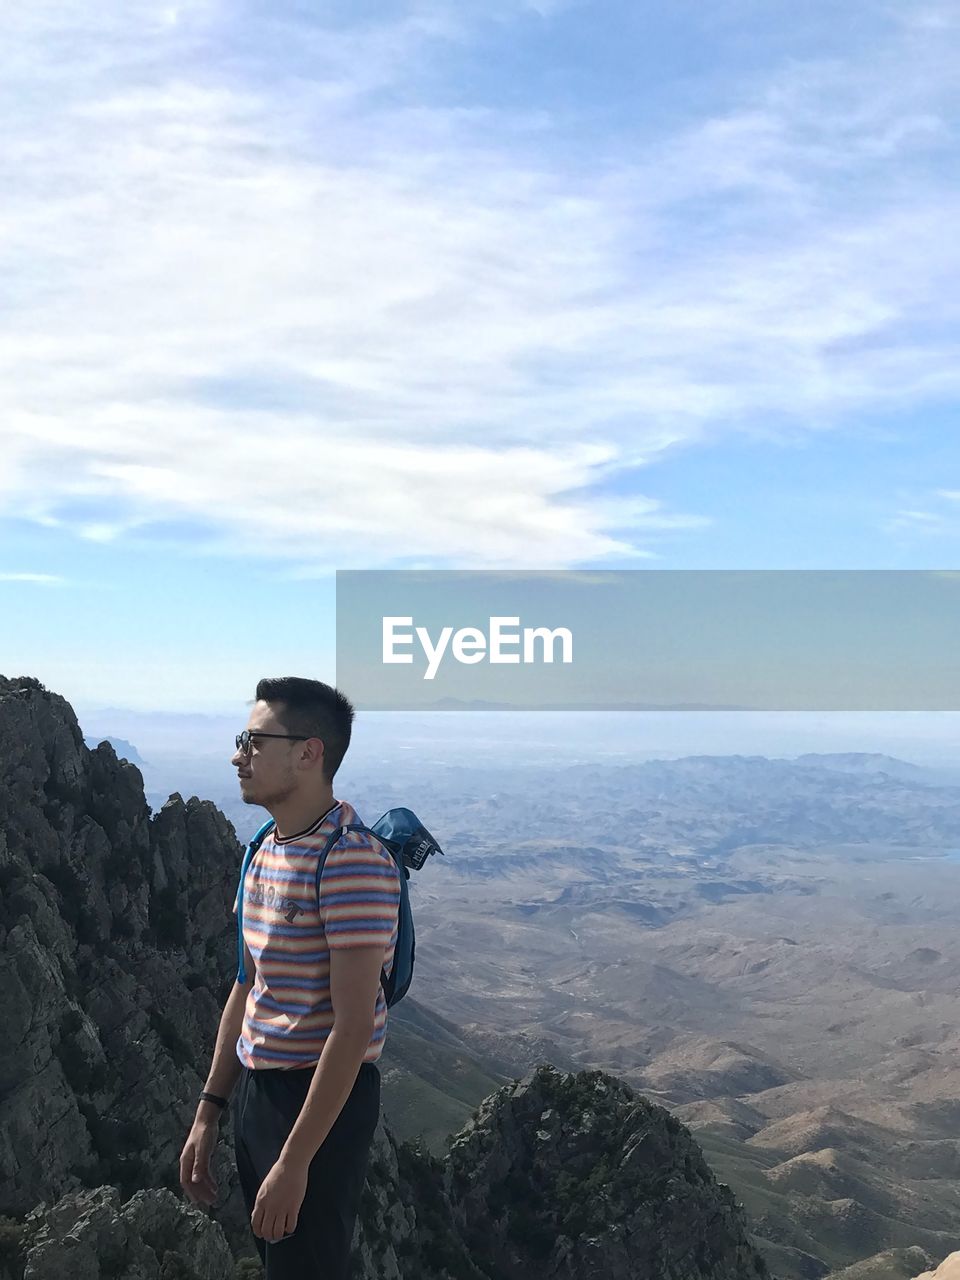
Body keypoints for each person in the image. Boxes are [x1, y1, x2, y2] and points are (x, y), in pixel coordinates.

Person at [179, 676, 402, 1279]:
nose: (237, 756)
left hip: (319, 1106)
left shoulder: (351, 860)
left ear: (309, 753)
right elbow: (246, 987)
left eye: (253, 741)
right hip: (261, 1094)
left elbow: (353, 1028)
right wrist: (210, 1110)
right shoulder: (263, 850)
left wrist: (295, 1161)